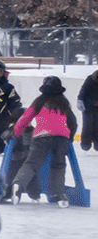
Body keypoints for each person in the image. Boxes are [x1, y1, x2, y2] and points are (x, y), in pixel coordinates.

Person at [4, 77, 79, 205]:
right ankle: (59, 194)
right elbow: (72, 122)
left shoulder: (39, 101)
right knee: (58, 165)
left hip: (41, 136)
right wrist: (70, 137)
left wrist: (17, 133)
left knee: (32, 164)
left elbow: (24, 118)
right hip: (61, 138)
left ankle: (18, 184)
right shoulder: (63, 102)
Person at [79, 67, 98, 153]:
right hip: (88, 106)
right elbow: (83, 91)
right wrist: (80, 101)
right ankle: (85, 144)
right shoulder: (90, 79)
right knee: (88, 125)